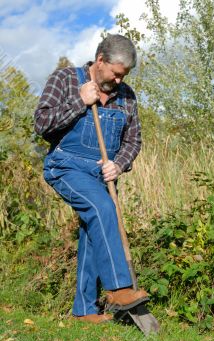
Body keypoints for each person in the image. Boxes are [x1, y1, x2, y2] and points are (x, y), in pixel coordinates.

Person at [34, 34, 148, 324]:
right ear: (100, 61)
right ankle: (120, 289)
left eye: (125, 75)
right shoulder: (65, 80)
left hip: (103, 176)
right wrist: (79, 101)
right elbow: (41, 124)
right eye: (116, 73)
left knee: (92, 232)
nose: (120, 80)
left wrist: (120, 165)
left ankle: (84, 311)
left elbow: (133, 142)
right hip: (66, 167)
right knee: (102, 209)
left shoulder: (127, 97)